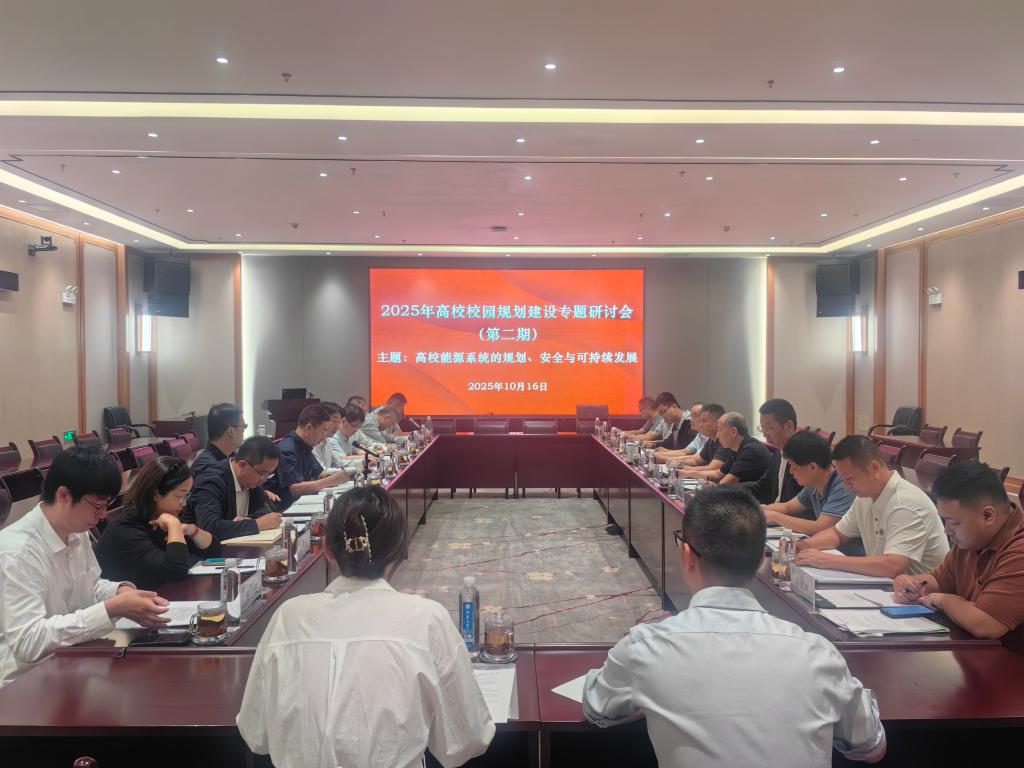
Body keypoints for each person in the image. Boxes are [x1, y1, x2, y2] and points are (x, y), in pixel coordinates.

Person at [582, 486, 886, 766]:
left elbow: (597, 707)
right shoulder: (818, 654)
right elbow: (872, 746)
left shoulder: (645, 647)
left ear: (687, 556)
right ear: (761, 560)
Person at [237, 486, 494, 768]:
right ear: (400, 550)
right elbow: (466, 741)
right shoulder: (426, 619)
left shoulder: (287, 618)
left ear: (326, 549)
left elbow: (255, 733)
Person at [0, 448, 171, 688]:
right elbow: (29, 642)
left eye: (107, 505)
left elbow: (91, 585)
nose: (103, 515)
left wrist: (120, 592)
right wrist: (111, 608)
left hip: (71, 660)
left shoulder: (76, 530)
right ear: (63, 495)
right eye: (97, 506)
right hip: (23, 683)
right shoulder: (17, 552)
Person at [895, 460, 1024, 651]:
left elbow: (986, 624)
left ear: (988, 516)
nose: (947, 531)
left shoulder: (1019, 550)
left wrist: (945, 600)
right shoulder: (972, 539)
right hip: (978, 653)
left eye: (954, 523)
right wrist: (911, 583)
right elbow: (939, 581)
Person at [796, 435, 949, 577]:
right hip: (889, 586)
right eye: (843, 479)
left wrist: (827, 560)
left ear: (874, 467)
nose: (846, 486)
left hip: (921, 593)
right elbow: (838, 534)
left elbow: (893, 565)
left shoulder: (906, 503)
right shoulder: (865, 496)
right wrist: (803, 546)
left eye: (850, 479)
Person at [96, 457, 218, 590]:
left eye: (186, 496)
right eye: (179, 496)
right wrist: (174, 525)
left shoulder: (164, 515)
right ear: (156, 494)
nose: (184, 503)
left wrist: (192, 530)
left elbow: (214, 551)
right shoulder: (125, 530)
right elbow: (176, 572)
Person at [763, 432, 862, 554]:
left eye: (794, 467)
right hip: (828, 551)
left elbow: (821, 527)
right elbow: (787, 507)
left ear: (812, 467)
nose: (791, 472)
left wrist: (775, 517)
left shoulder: (844, 485)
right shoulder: (813, 484)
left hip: (849, 556)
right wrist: (757, 510)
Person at [184, 436, 283, 541]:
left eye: (268, 474)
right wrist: (256, 524)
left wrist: (249, 520)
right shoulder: (211, 482)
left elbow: (267, 511)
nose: (264, 480)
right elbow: (209, 527)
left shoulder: (252, 479)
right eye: (263, 474)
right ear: (242, 465)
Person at [268, 405, 348, 510]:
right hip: (284, 509)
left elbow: (319, 473)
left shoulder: (305, 446)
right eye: (322, 431)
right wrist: (331, 481)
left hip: (300, 503)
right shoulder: (287, 449)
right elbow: (294, 489)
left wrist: (334, 476)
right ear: (309, 428)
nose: (324, 436)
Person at [743, 398, 803, 504]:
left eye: (769, 428)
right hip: (774, 509)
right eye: (762, 428)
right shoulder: (778, 452)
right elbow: (763, 485)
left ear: (789, 426)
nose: (765, 434)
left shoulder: (804, 456)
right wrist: (726, 489)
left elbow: (802, 505)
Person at [191, 402, 247, 478]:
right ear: (231, 431)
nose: (244, 431)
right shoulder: (210, 468)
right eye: (243, 427)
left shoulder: (229, 456)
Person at [675, 403, 729, 471]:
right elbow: (696, 460)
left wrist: (684, 469)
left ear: (717, 423)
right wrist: (676, 462)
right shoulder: (711, 440)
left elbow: (713, 469)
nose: (700, 425)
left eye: (704, 421)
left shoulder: (725, 442)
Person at [311, 401, 350, 476]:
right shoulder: (312, 442)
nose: (337, 426)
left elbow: (338, 463)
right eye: (334, 421)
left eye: (338, 422)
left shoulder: (327, 440)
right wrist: (356, 469)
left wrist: (363, 463)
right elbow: (322, 471)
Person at [329, 404, 368, 471]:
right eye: (354, 426)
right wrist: (367, 458)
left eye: (358, 427)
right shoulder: (333, 437)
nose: (356, 430)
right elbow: (342, 459)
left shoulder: (348, 436)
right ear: (343, 421)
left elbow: (356, 451)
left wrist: (373, 454)